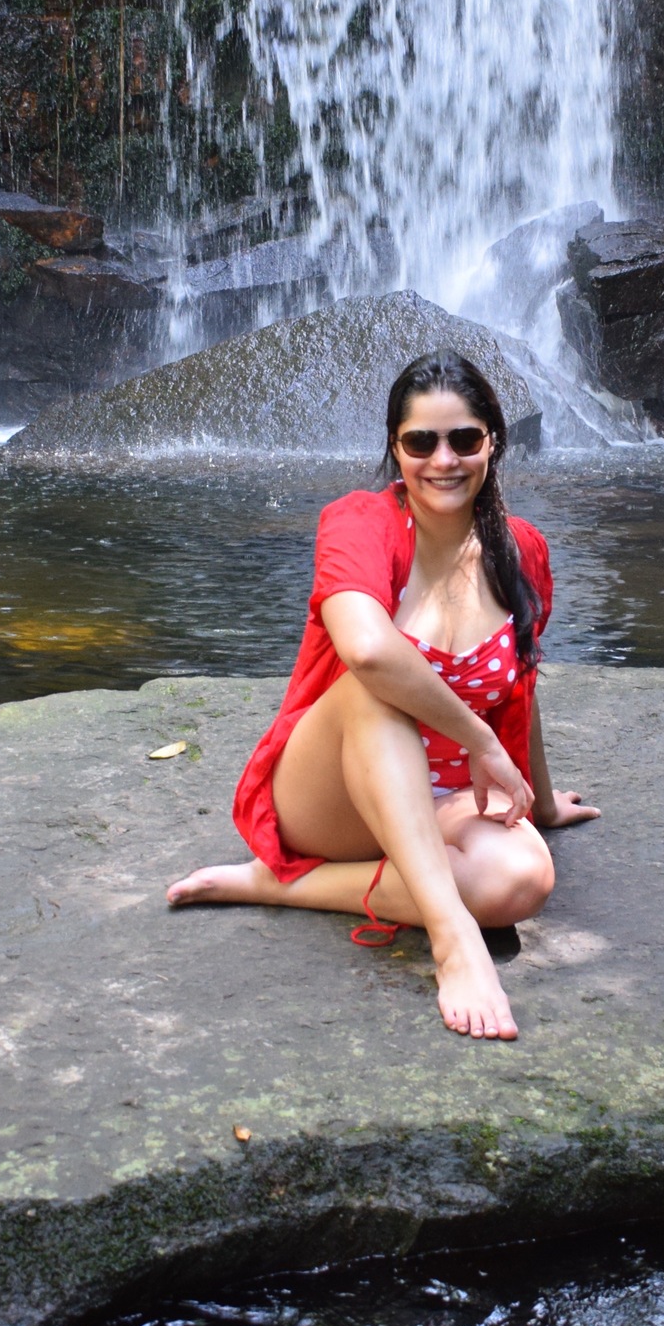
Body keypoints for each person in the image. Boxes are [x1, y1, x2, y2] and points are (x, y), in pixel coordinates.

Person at [166, 350, 598, 1039]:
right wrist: (480, 740)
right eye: (420, 441)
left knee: (522, 882)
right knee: (378, 684)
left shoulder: (521, 551)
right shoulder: (358, 523)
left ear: (494, 441)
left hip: (447, 800)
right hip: (334, 793)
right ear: (395, 450)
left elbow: (522, 685)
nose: (444, 460)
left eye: (464, 439)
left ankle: (278, 884)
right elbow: (367, 650)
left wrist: (541, 802)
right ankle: (451, 936)